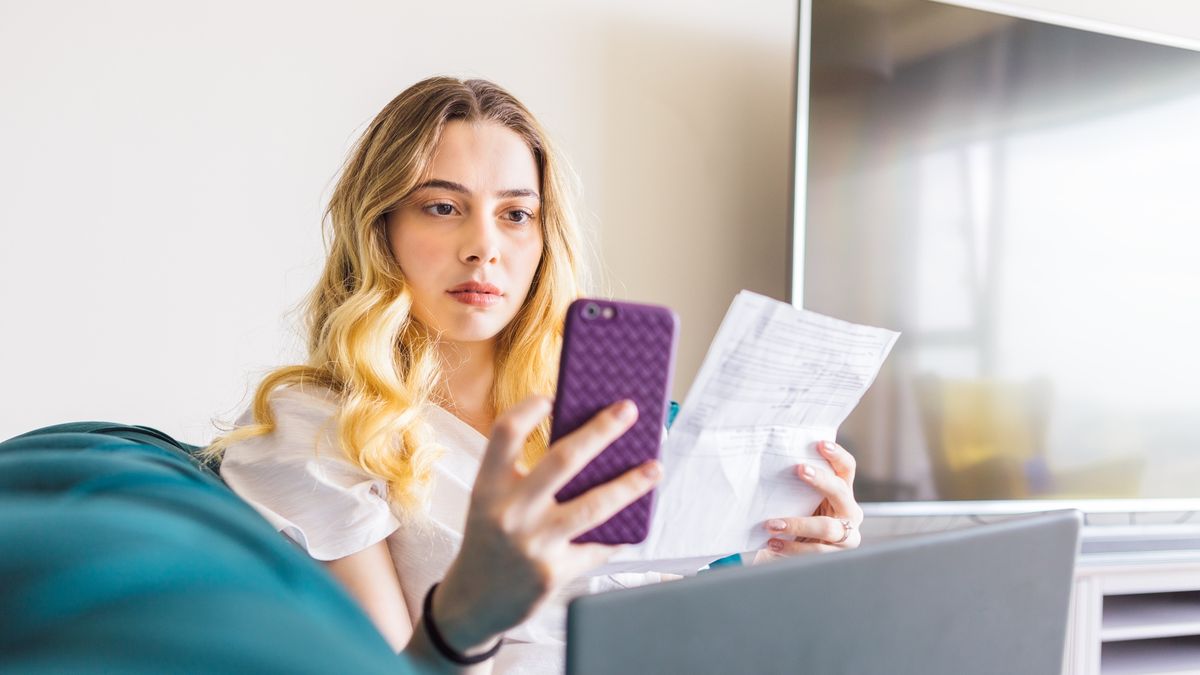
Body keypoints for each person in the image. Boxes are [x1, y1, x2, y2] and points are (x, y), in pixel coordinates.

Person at [207, 76, 864, 673]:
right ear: (381, 228)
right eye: (442, 206)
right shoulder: (316, 425)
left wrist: (788, 572)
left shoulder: (594, 419)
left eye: (516, 214)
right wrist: (471, 607)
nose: (484, 246)